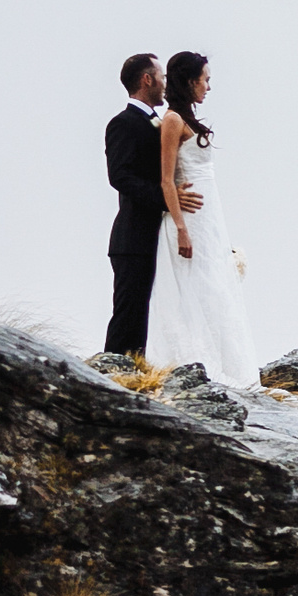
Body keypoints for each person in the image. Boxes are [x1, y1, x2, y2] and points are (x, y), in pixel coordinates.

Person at [142, 50, 260, 385]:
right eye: (205, 79)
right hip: (190, 219)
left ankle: (227, 366)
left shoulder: (190, 121)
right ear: (190, 80)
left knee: (214, 286)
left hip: (210, 217)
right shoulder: (172, 121)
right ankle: (197, 362)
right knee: (195, 287)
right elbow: (166, 178)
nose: (208, 86)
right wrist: (180, 228)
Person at [102, 52, 200, 355]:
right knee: (129, 315)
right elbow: (119, 176)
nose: (165, 83)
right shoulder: (123, 123)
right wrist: (165, 196)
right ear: (147, 80)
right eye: (162, 77)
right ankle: (113, 375)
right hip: (133, 237)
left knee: (148, 315)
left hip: (158, 235)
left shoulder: (161, 122)